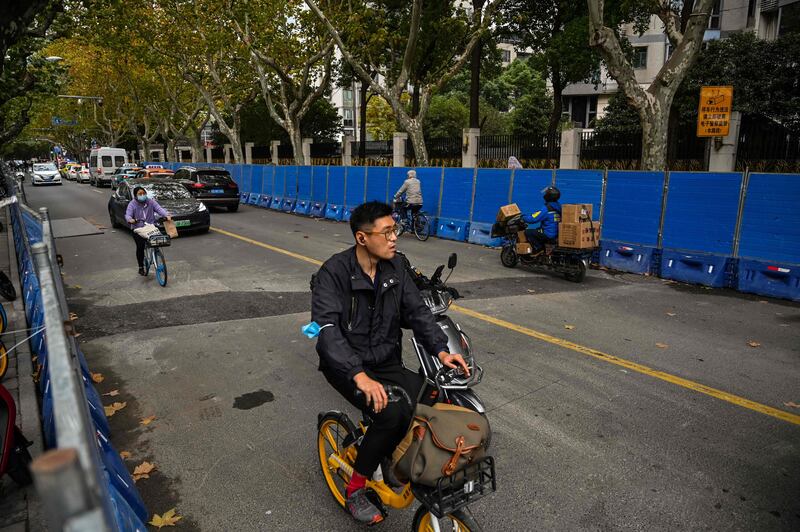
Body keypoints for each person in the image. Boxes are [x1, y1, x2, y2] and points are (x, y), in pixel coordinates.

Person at [311, 201, 469, 525]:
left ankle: (389, 454)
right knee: (392, 412)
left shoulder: (395, 267)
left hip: (385, 360)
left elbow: (417, 312)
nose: (394, 238)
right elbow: (326, 331)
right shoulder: (334, 273)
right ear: (362, 238)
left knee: (431, 397)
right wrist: (359, 376)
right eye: (386, 233)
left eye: (395, 230)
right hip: (346, 367)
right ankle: (355, 489)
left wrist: (441, 350)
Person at [125, 186, 171, 276]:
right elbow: (128, 214)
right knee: (140, 246)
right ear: (135, 195)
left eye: (144, 193)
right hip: (138, 229)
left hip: (150, 227)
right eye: (140, 194)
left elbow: (159, 209)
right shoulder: (132, 204)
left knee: (158, 240)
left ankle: (156, 254)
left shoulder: (151, 202)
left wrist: (167, 215)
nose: (142, 195)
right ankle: (141, 267)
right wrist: (130, 219)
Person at [523, 186, 562, 253]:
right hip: (555, 233)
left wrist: (523, 217)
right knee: (538, 230)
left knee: (528, 232)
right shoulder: (558, 206)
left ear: (548, 196)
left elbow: (533, 219)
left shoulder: (547, 208)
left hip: (549, 234)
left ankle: (538, 249)